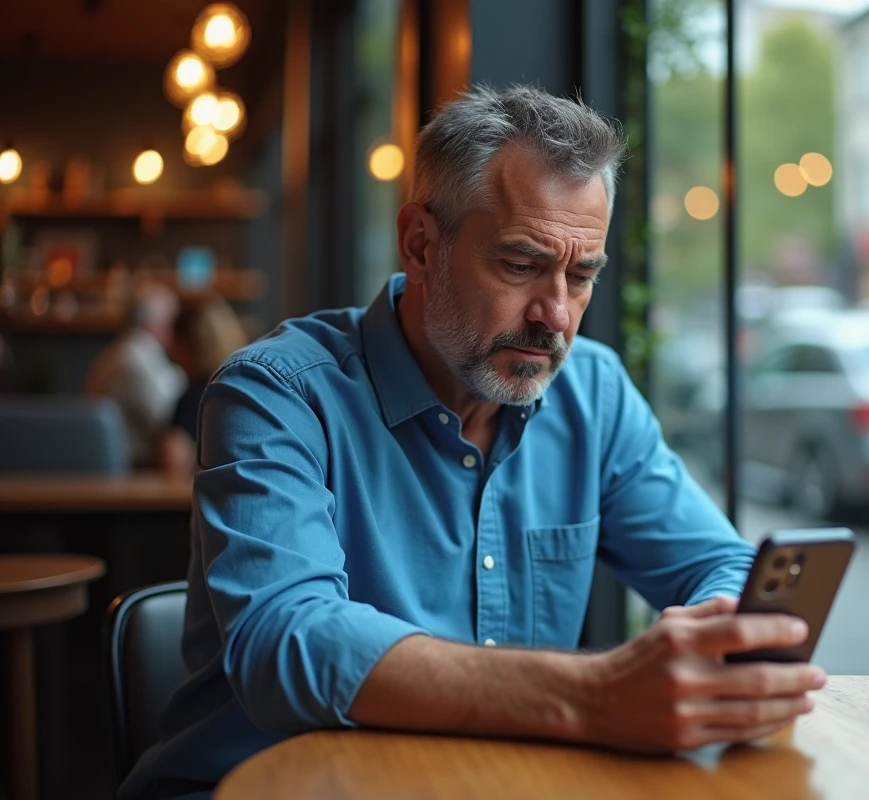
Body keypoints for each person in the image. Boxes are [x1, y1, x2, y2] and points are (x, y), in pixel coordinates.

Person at [121, 86, 826, 799]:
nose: (556, 316)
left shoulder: (593, 394)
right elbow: (288, 644)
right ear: (422, 244)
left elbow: (723, 564)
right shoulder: (276, 393)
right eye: (521, 265)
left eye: (581, 276)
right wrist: (594, 694)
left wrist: (714, 643)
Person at [85, 281, 186, 466]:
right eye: (172, 321)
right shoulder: (136, 356)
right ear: (158, 322)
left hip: (122, 461)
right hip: (133, 467)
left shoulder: (123, 350)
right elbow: (164, 418)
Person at [158, 297, 248, 474]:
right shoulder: (245, 387)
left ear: (190, 345)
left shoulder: (198, 395)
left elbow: (173, 453)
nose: (171, 351)